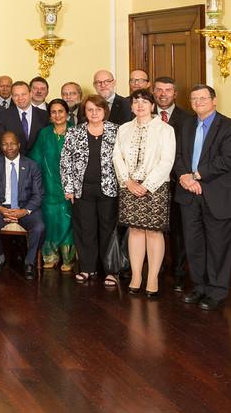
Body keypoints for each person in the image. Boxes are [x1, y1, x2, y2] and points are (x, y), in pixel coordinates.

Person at [174, 84, 231, 311]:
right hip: (189, 193)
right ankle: (199, 287)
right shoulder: (185, 124)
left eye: (203, 98)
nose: (198, 102)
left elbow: (229, 160)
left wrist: (196, 175)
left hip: (219, 195)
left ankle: (216, 291)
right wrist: (184, 177)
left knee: (218, 246)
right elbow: (176, 155)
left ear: (214, 101)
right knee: (194, 244)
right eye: (194, 99)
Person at [113, 89, 176, 298]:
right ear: (131, 106)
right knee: (135, 230)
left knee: (153, 232)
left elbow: (167, 161)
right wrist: (128, 181)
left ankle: (153, 278)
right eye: (136, 102)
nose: (140, 105)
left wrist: (147, 185)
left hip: (155, 187)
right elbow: (117, 157)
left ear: (152, 106)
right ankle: (137, 276)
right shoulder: (123, 129)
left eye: (145, 101)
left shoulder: (165, 130)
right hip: (129, 186)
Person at [60, 95, 119, 285]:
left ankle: (110, 270)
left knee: (108, 229)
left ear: (104, 111)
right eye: (90, 109)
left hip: (108, 189)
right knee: (86, 230)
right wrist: (68, 187)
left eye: (98, 109)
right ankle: (87, 268)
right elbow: (65, 161)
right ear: (84, 112)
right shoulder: (74, 132)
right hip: (82, 190)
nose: (94, 113)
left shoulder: (116, 131)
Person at [152, 76, 196, 290]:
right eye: (159, 90)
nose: (163, 94)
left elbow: (188, 153)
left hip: (178, 182)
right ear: (153, 92)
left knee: (178, 229)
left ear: (175, 94)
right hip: (151, 183)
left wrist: (183, 176)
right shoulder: (144, 115)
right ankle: (155, 270)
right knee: (153, 228)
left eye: (168, 90)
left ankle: (178, 272)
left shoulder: (188, 119)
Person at [0, 131, 45, 279]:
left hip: (24, 206)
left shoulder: (31, 165)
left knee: (39, 227)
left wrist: (24, 211)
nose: (9, 147)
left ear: (19, 145)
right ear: (0, 147)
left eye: (12, 143)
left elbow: (38, 194)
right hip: (2, 207)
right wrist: (1, 208)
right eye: (5, 144)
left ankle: (29, 262)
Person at [31, 99, 75, 271]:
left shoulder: (76, 132)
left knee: (66, 220)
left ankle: (68, 258)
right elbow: (35, 158)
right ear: (50, 116)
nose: (57, 115)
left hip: (69, 186)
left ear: (67, 113)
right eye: (53, 112)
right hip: (48, 185)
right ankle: (50, 256)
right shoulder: (44, 134)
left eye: (60, 111)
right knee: (49, 219)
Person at [0, 80, 49, 156]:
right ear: (12, 97)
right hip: (14, 162)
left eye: (23, 94)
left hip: (38, 163)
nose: (20, 98)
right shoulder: (3, 115)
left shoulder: (44, 115)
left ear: (30, 94)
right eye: (16, 95)